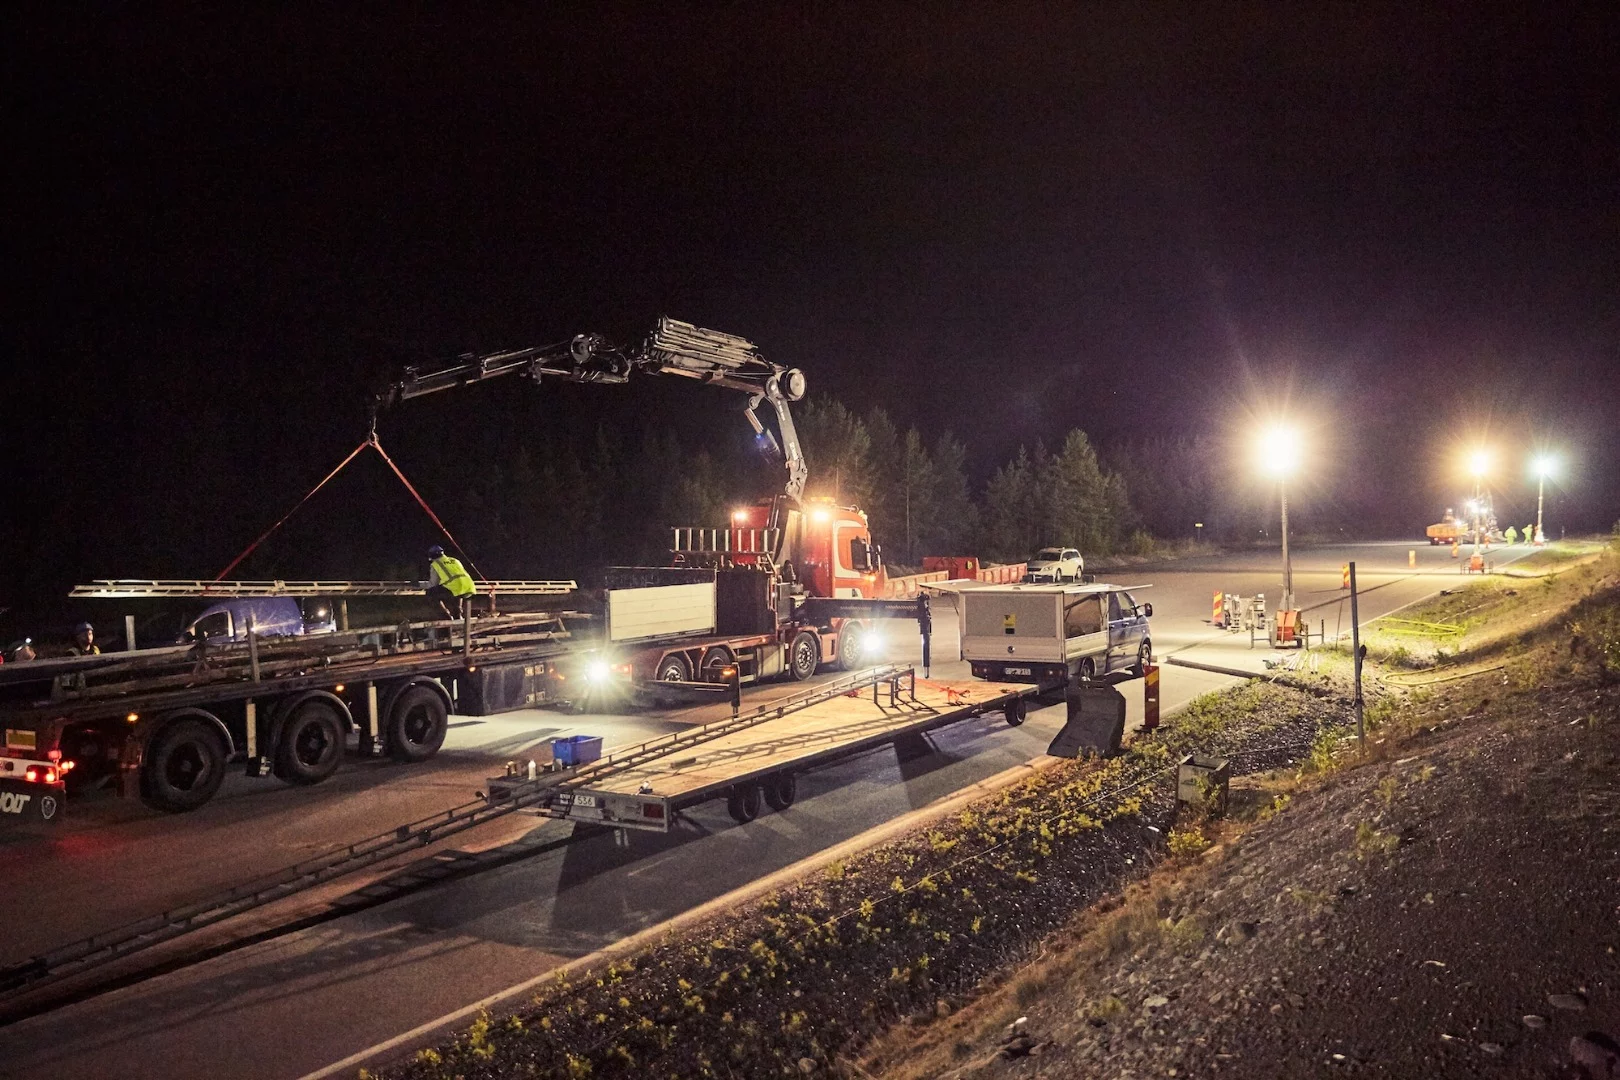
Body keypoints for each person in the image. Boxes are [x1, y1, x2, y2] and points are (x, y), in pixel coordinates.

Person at [425, 544, 477, 619]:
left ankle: (445, 615)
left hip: (457, 588)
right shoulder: (455, 560)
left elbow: (433, 583)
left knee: (430, 593)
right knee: (455, 589)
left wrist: (418, 584)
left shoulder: (435, 564)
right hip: (470, 587)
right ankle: (458, 614)